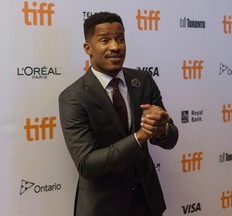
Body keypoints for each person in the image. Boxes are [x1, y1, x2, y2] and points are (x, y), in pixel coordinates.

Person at [59, 12, 179, 216]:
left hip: (147, 203)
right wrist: (141, 136)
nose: (115, 46)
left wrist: (161, 128)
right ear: (88, 48)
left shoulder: (142, 81)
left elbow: (170, 140)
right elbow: (87, 164)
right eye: (105, 40)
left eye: (120, 39)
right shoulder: (73, 97)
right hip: (103, 207)